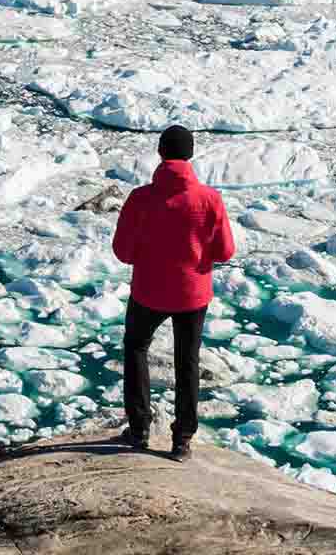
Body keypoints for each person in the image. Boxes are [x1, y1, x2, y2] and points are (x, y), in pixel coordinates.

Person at [111, 124, 236, 462]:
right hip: (192, 294)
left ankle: (138, 430)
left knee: (136, 348)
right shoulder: (210, 200)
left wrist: (149, 257)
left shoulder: (141, 198)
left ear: (160, 153)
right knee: (187, 360)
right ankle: (182, 440)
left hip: (148, 291)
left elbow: (122, 251)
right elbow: (225, 251)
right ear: (191, 155)